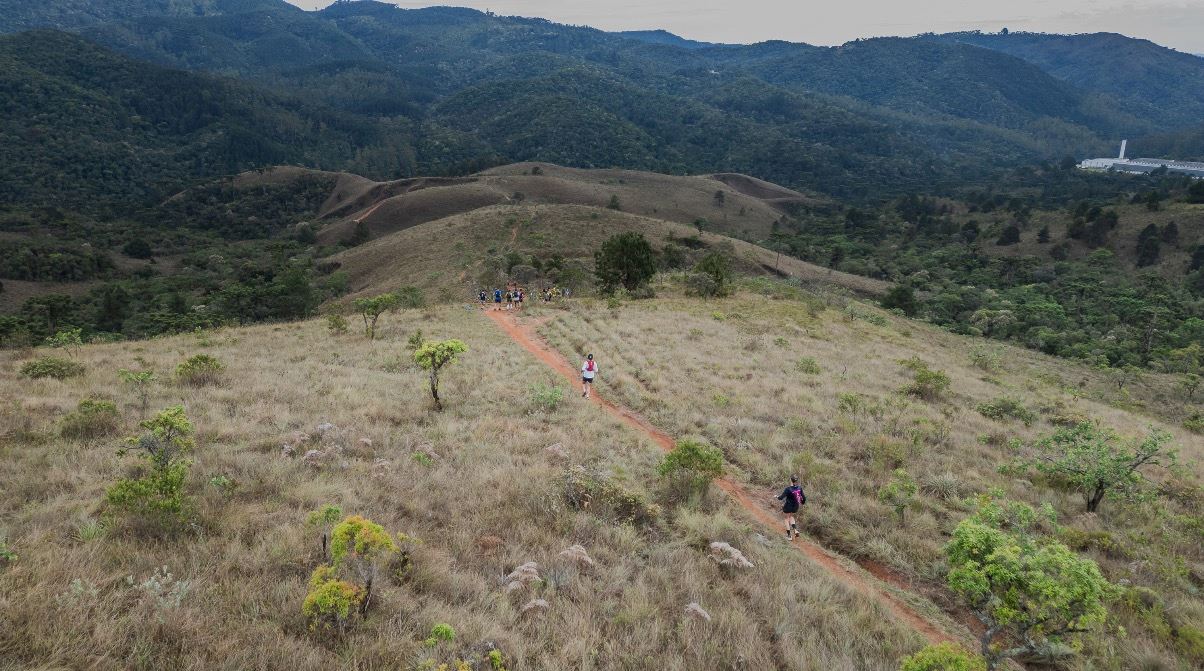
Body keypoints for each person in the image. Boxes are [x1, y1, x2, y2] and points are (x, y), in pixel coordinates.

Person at [776, 475, 805, 540]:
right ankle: (795, 530)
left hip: (788, 506)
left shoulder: (788, 489)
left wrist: (776, 496)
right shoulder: (800, 488)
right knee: (791, 517)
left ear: (791, 480)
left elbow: (781, 498)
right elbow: (804, 498)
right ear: (796, 481)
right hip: (796, 506)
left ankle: (789, 536)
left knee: (786, 519)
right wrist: (802, 503)